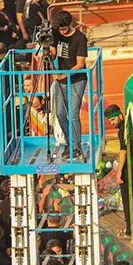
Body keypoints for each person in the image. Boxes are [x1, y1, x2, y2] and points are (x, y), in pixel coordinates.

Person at [49, 9, 89, 161]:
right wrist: (48, 54)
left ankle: (76, 147)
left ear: (70, 24)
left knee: (72, 115)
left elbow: (80, 64)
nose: (62, 32)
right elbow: (53, 52)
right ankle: (69, 143)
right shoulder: (56, 33)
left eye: (64, 29)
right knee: (60, 114)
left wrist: (64, 74)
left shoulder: (80, 38)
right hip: (61, 81)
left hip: (77, 80)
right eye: (60, 29)